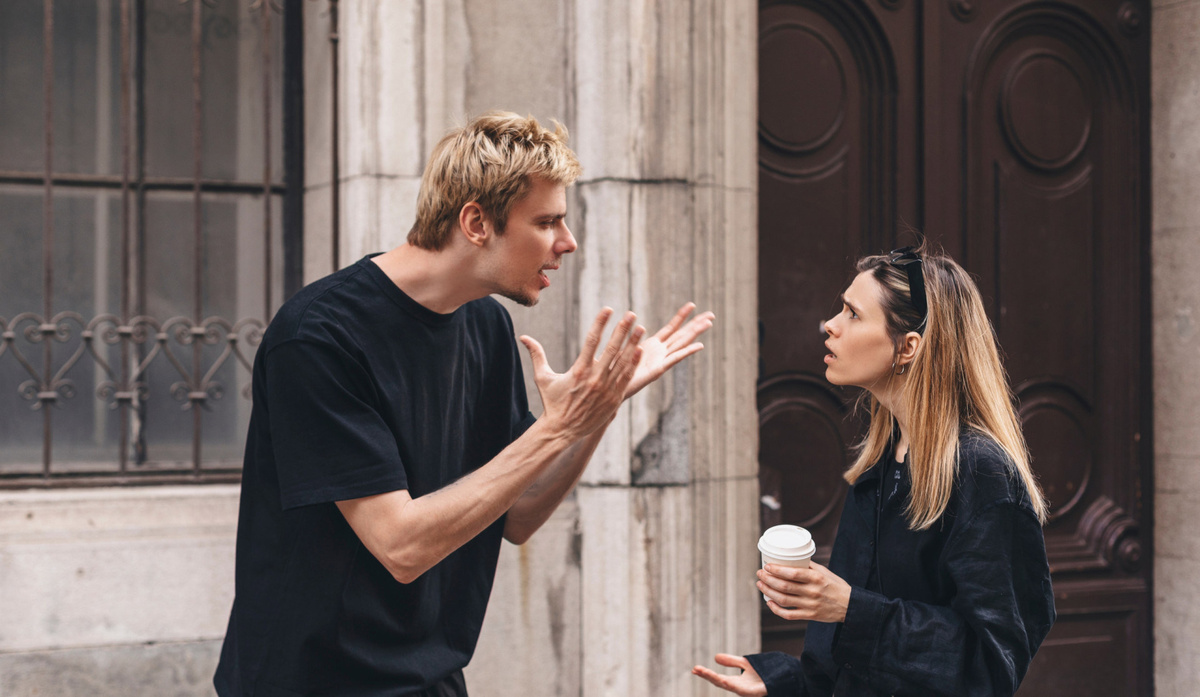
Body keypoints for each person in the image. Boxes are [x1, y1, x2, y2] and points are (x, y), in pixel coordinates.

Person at [214, 111, 713, 697]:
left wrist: (598, 406)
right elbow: (401, 546)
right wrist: (556, 428)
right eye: (546, 221)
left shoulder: (486, 326)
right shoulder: (319, 337)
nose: (567, 241)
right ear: (476, 222)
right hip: (313, 682)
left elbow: (519, 514)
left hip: (429, 677)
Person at [693, 243, 1054, 696]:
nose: (831, 325)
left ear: (907, 347)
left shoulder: (981, 473)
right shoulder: (883, 462)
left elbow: (991, 667)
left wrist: (851, 608)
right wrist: (786, 681)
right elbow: (848, 664)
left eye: (853, 314)